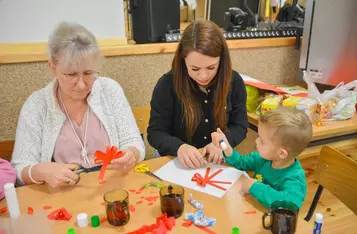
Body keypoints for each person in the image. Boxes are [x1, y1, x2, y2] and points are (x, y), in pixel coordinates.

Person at [11, 22, 145, 188]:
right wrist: (40, 171)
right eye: (71, 74)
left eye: (89, 73)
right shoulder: (37, 105)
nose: (82, 85)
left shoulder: (109, 90)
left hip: (112, 188)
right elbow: (18, 169)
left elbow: (133, 141)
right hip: (63, 193)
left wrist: (132, 153)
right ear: (52, 68)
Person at [147, 19, 248, 169]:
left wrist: (221, 144)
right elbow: (155, 132)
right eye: (195, 69)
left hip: (216, 164)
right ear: (183, 61)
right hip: (176, 163)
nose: (203, 76)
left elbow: (240, 126)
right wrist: (180, 147)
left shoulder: (234, 81)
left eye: (211, 67)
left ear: (221, 61)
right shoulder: (167, 85)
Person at [211, 106, 312, 209]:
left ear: (281, 153)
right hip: (254, 209)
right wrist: (227, 149)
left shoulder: (294, 178)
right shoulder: (264, 159)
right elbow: (242, 162)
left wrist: (254, 186)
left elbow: (290, 205)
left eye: (262, 141)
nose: (256, 141)